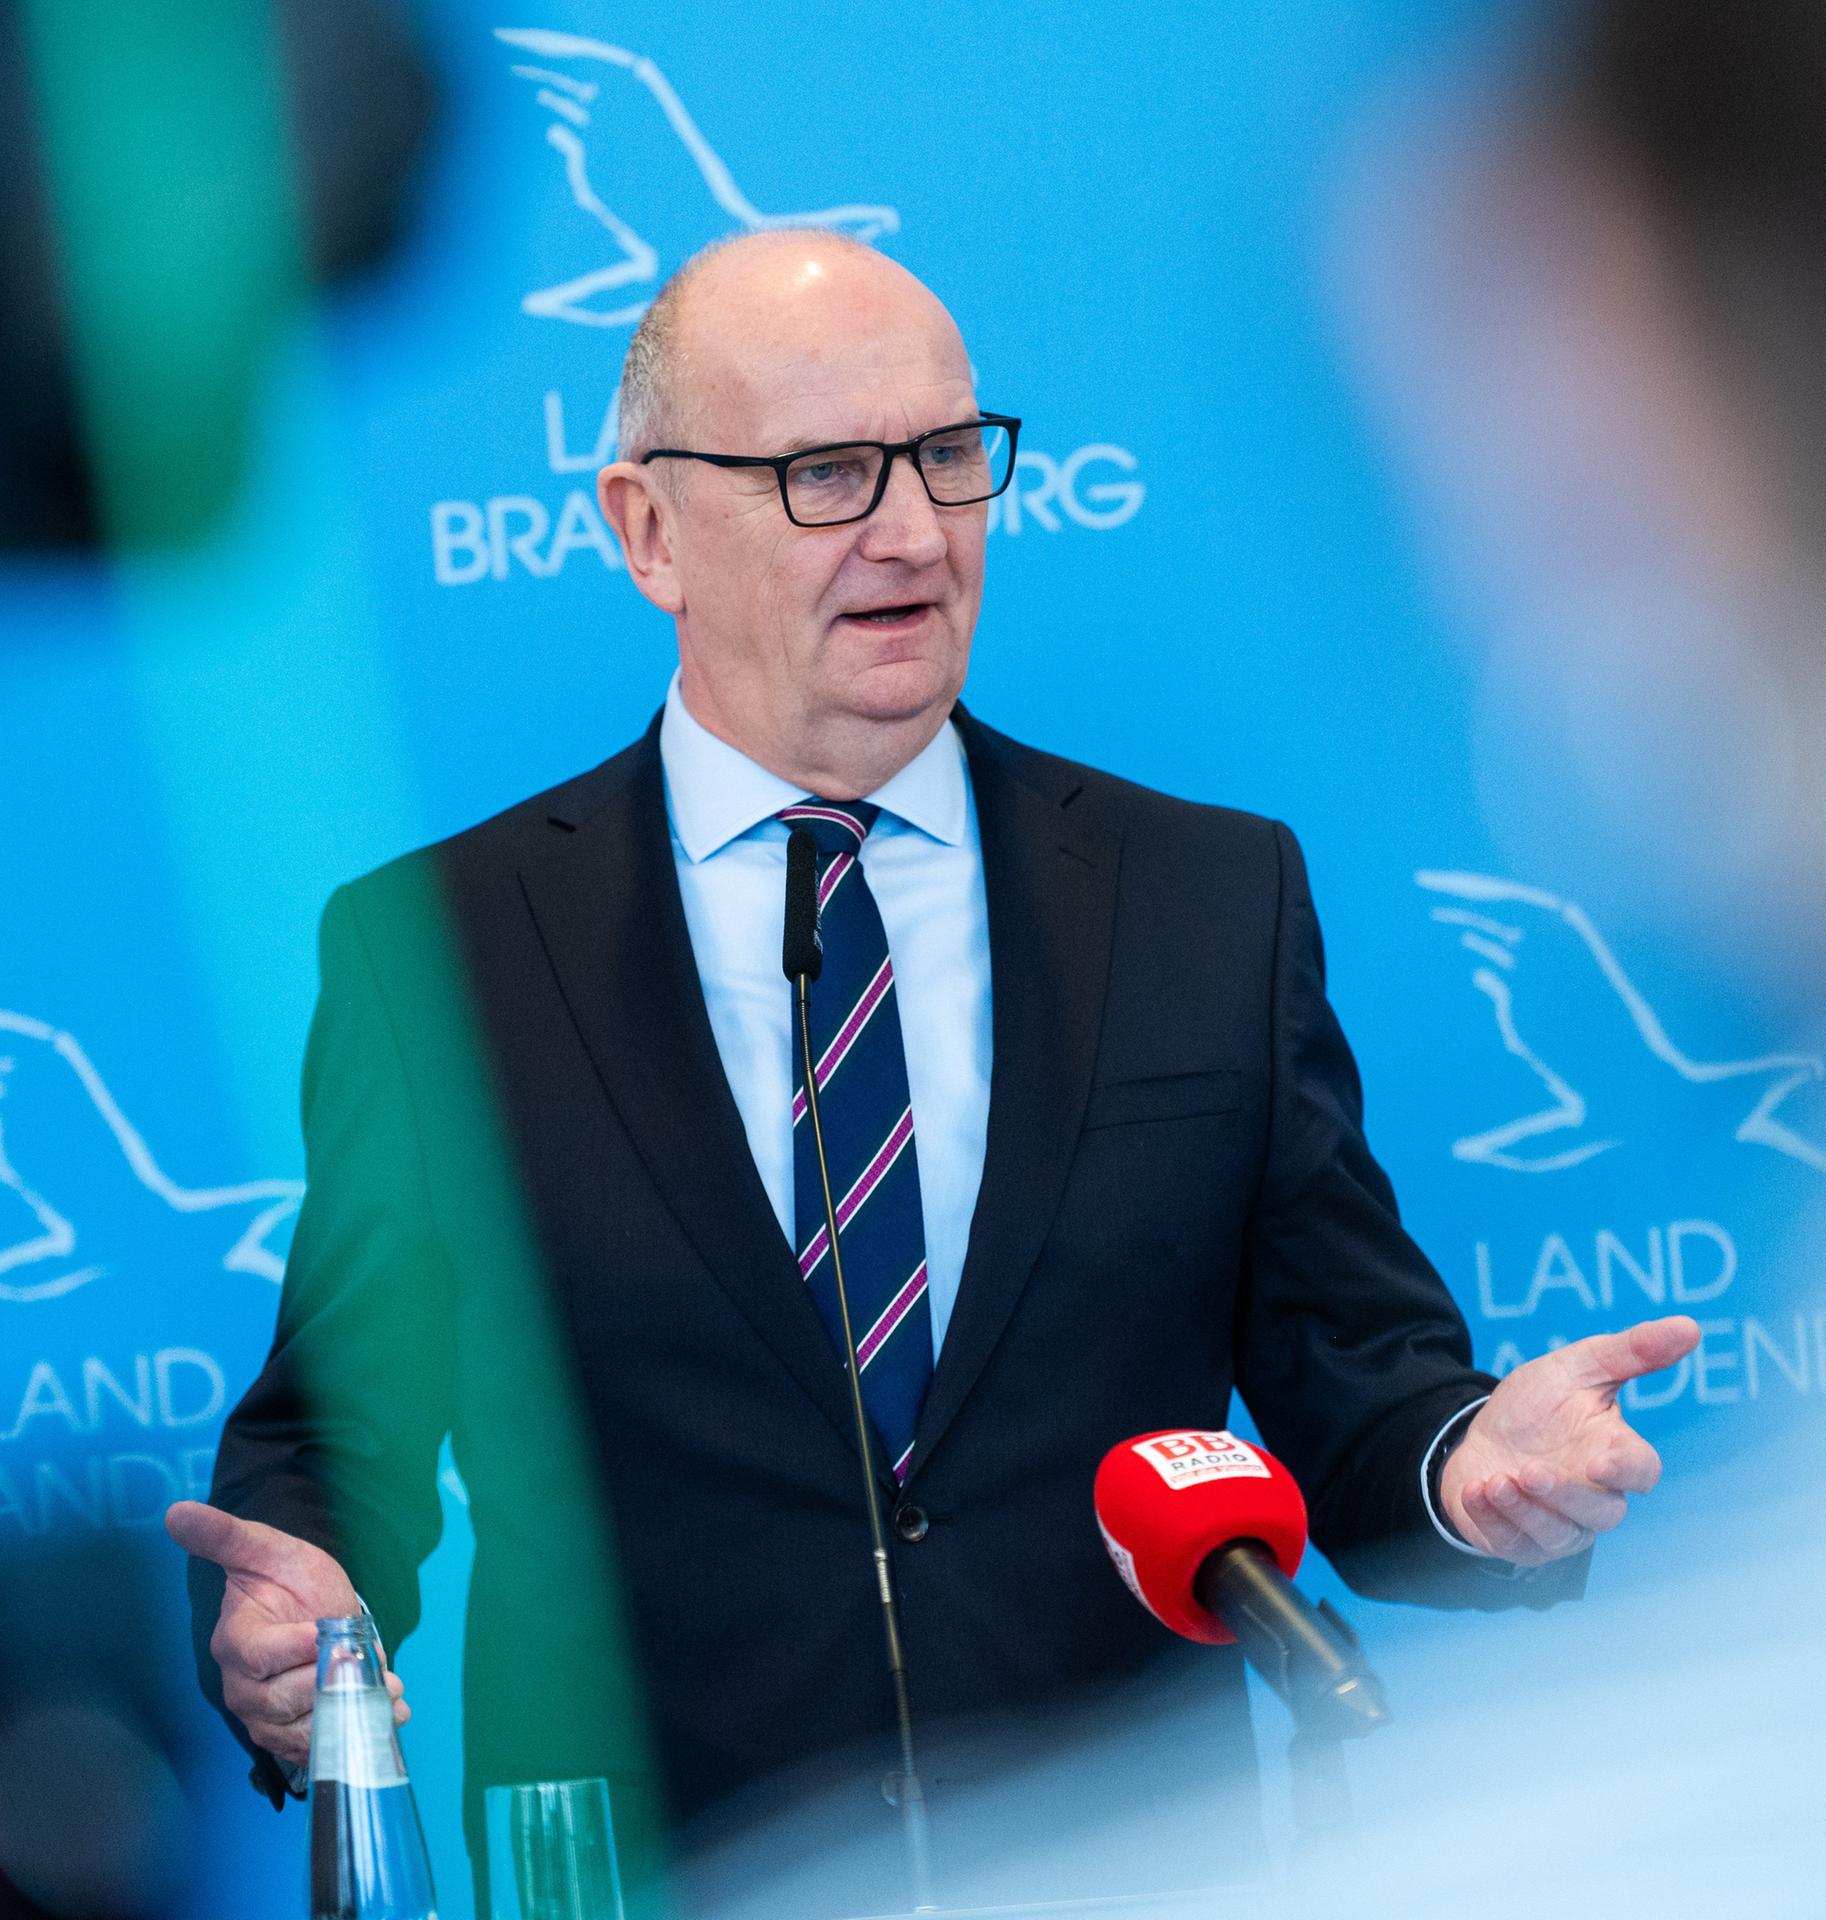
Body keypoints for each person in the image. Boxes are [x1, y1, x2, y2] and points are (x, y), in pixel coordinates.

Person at [167, 232, 1699, 1912]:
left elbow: (1358, 1383)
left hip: (1135, 1871)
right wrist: (291, 1625)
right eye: (827, 472)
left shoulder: (1202, 898)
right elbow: (341, 1438)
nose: (911, 530)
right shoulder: (440, 954)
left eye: (950, 457)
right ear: (649, 531)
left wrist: (1468, 1470)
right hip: (673, 1876)